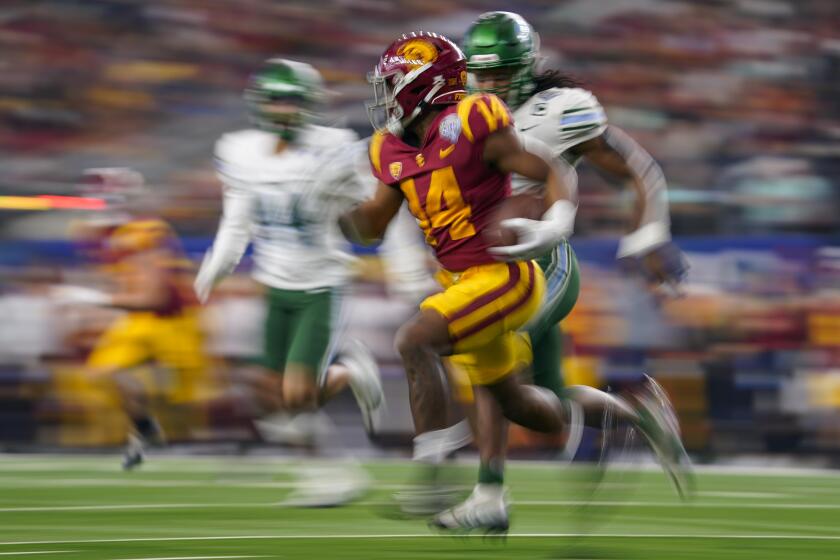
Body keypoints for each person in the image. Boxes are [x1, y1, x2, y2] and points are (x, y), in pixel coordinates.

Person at [341, 31, 686, 532]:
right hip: (480, 260)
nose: (493, 81)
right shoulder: (448, 120)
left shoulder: (557, 109)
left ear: (527, 66)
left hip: (543, 258)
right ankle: (632, 413)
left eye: (504, 70)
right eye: (486, 71)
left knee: (477, 347)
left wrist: (647, 235)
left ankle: (487, 494)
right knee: (534, 404)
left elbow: (636, 170)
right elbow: (406, 198)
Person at [194, 58, 384, 506]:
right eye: (274, 100)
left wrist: (350, 204)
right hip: (274, 284)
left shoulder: (334, 149)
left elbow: (370, 214)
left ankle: (348, 370)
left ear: (309, 105)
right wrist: (214, 268)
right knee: (268, 402)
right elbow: (236, 221)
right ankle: (330, 476)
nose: (282, 109)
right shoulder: (243, 152)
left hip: (320, 284)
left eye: (291, 100)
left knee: (296, 393)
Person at [58, 170, 210, 470]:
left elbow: (153, 297)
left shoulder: (146, 231)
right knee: (102, 374)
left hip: (174, 321)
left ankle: (258, 441)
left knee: (187, 401)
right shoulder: (99, 235)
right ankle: (144, 428)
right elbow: (126, 290)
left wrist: (91, 298)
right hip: (139, 320)